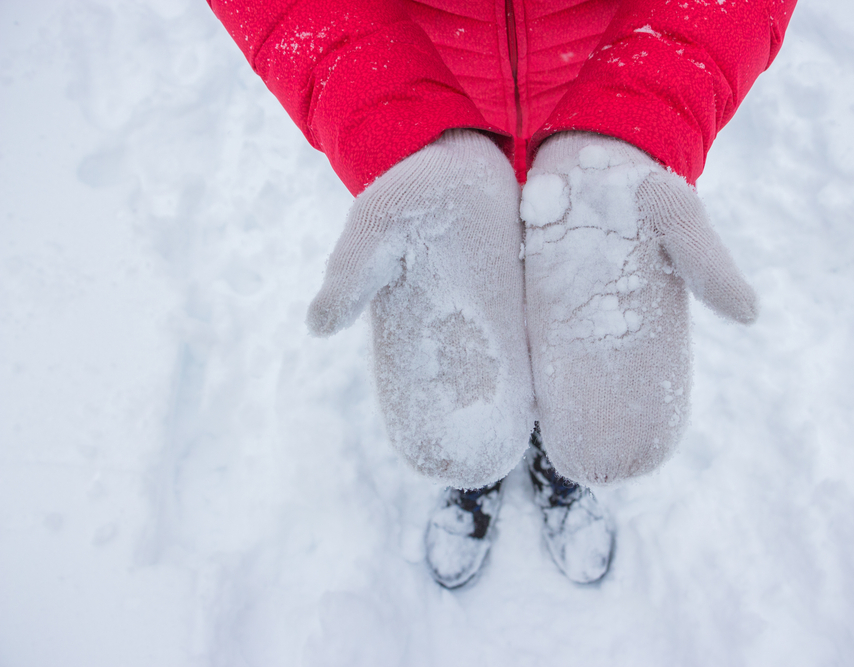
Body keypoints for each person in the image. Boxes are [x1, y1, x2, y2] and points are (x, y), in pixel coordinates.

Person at [208, 0, 797, 588]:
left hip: (597, 75)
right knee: (463, 318)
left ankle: (558, 458)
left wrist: (640, 109)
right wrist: (393, 120)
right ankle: (478, 464)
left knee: (573, 322)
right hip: (427, 78)